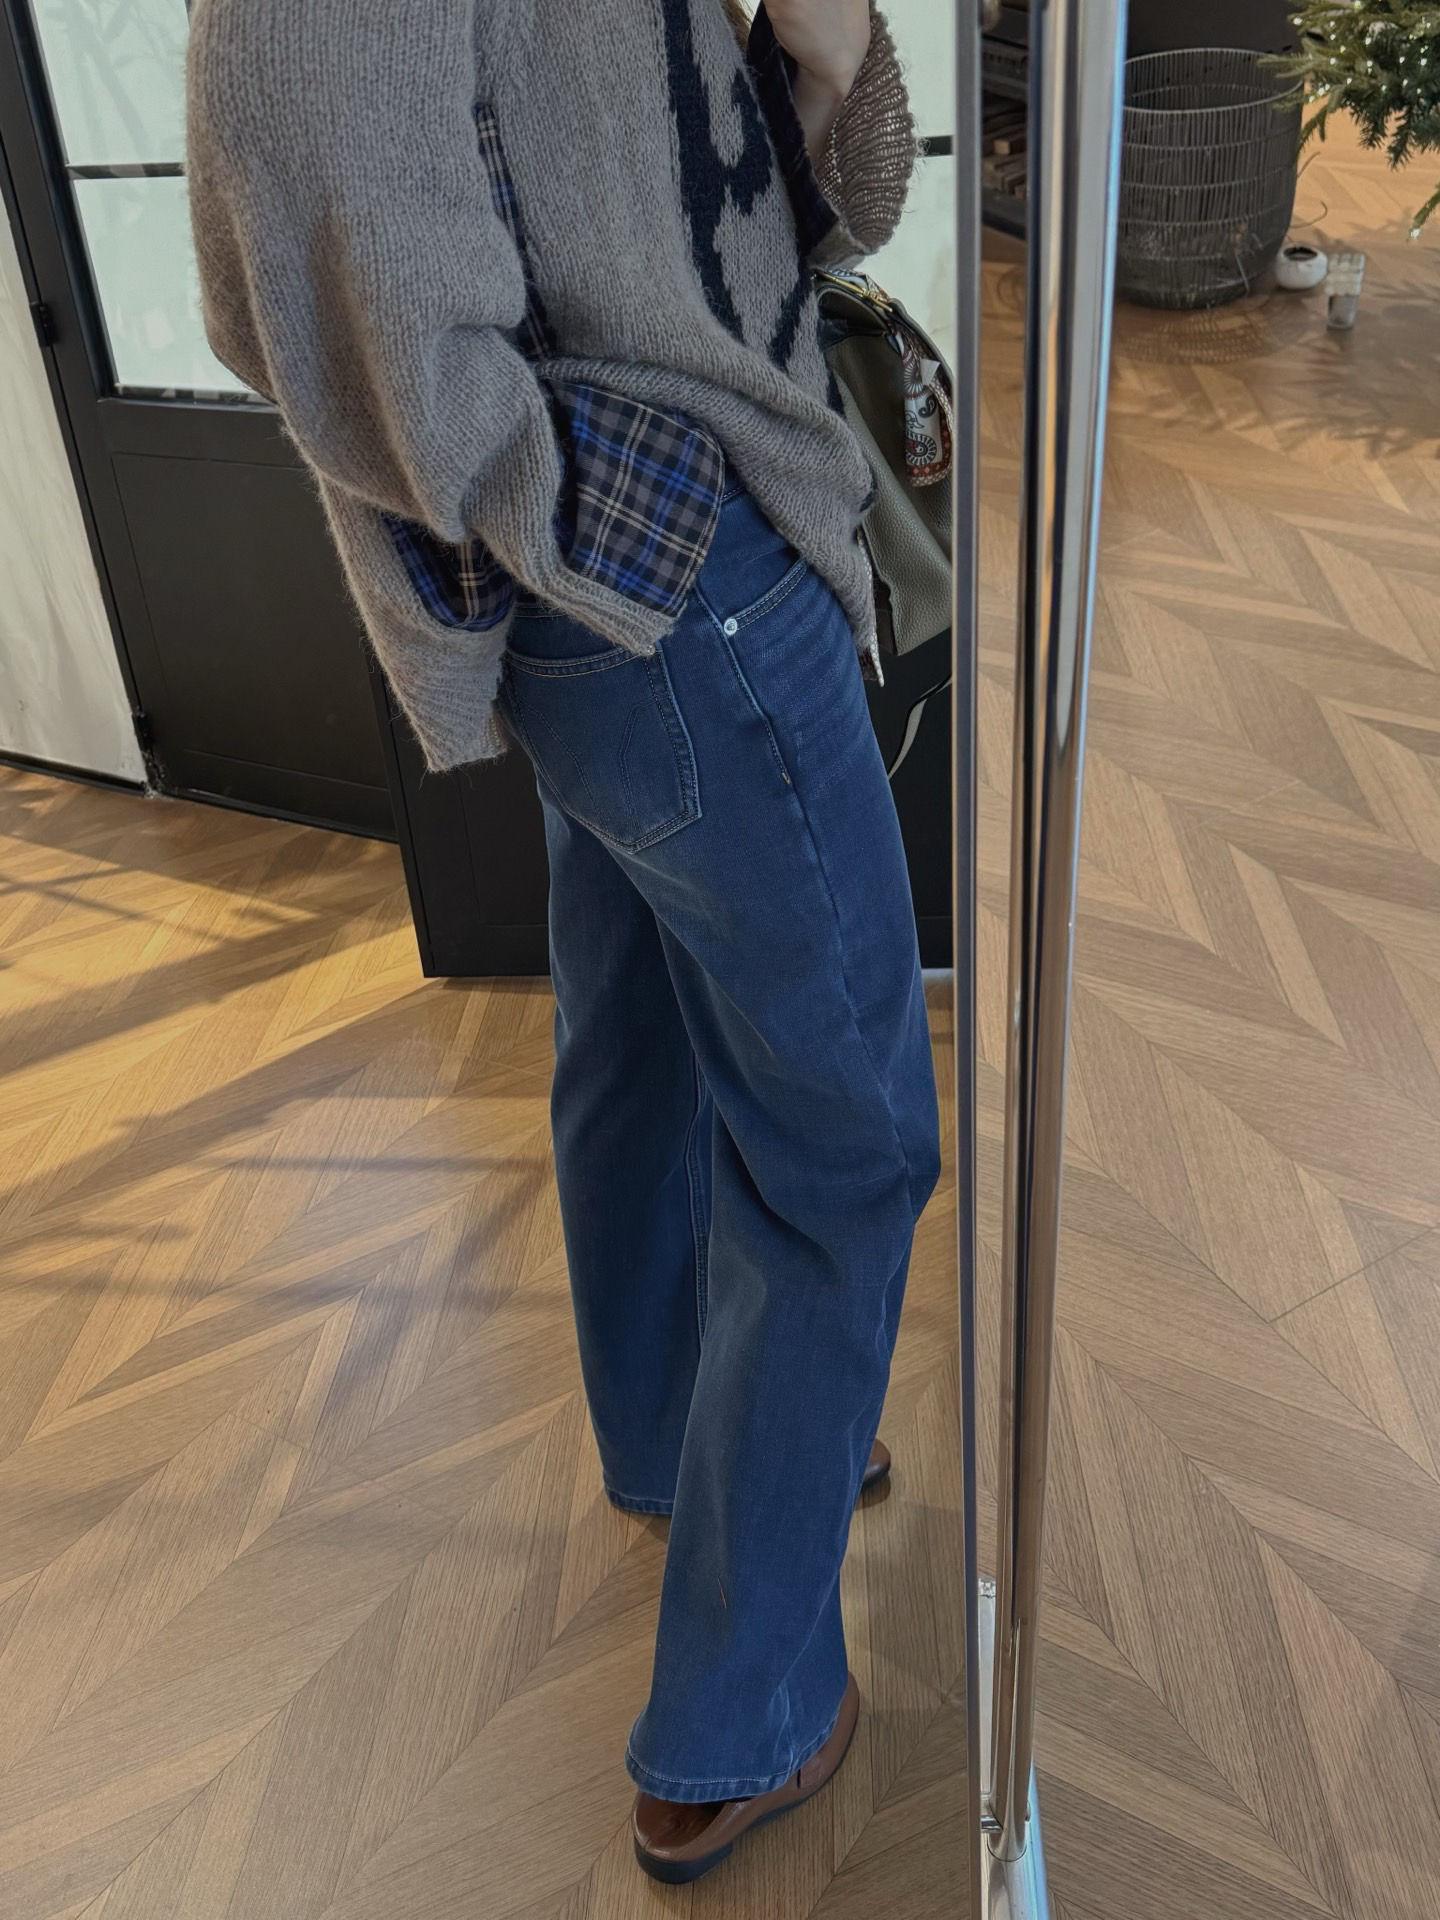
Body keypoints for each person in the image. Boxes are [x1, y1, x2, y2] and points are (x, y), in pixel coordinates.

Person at [186, 0, 941, 1885]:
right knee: (849, 1145)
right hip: (676, 572)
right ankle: (745, 1712)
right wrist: (593, 517)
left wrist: (835, 42)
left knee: (641, 1040)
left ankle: (678, 1439)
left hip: (679, 545)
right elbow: (300, 229)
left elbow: (821, 207)